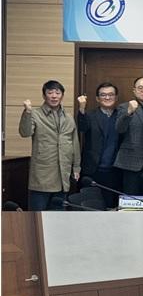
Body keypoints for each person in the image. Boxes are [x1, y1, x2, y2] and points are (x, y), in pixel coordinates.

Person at [19, 80, 81, 210]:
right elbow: (25, 132)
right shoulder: (35, 114)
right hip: (42, 175)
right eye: (50, 92)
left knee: (58, 216)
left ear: (62, 95)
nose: (54, 96)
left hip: (63, 174)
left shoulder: (68, 117)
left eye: (57, 93)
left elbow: (74, 143)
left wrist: (76, 167)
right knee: (37, 216)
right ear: (44, 95)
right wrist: (27, 112)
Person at [77, 82, 121, 208]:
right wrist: (82, 109)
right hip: (92, 170)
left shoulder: (122, 116)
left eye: (111, 95)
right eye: (103, 95)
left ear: (116, 97)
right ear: (97, 98)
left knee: (112, 207)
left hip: (115, 171)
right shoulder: (90, 115)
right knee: (91, 207)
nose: (107, 97)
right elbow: (82, 127)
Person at [115, 76, 143, 195]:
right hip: (131, 162)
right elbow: (119, 129)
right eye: (140, 88)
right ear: (134, 90)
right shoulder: (124, 107)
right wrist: (129, 112)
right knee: (131, 198)